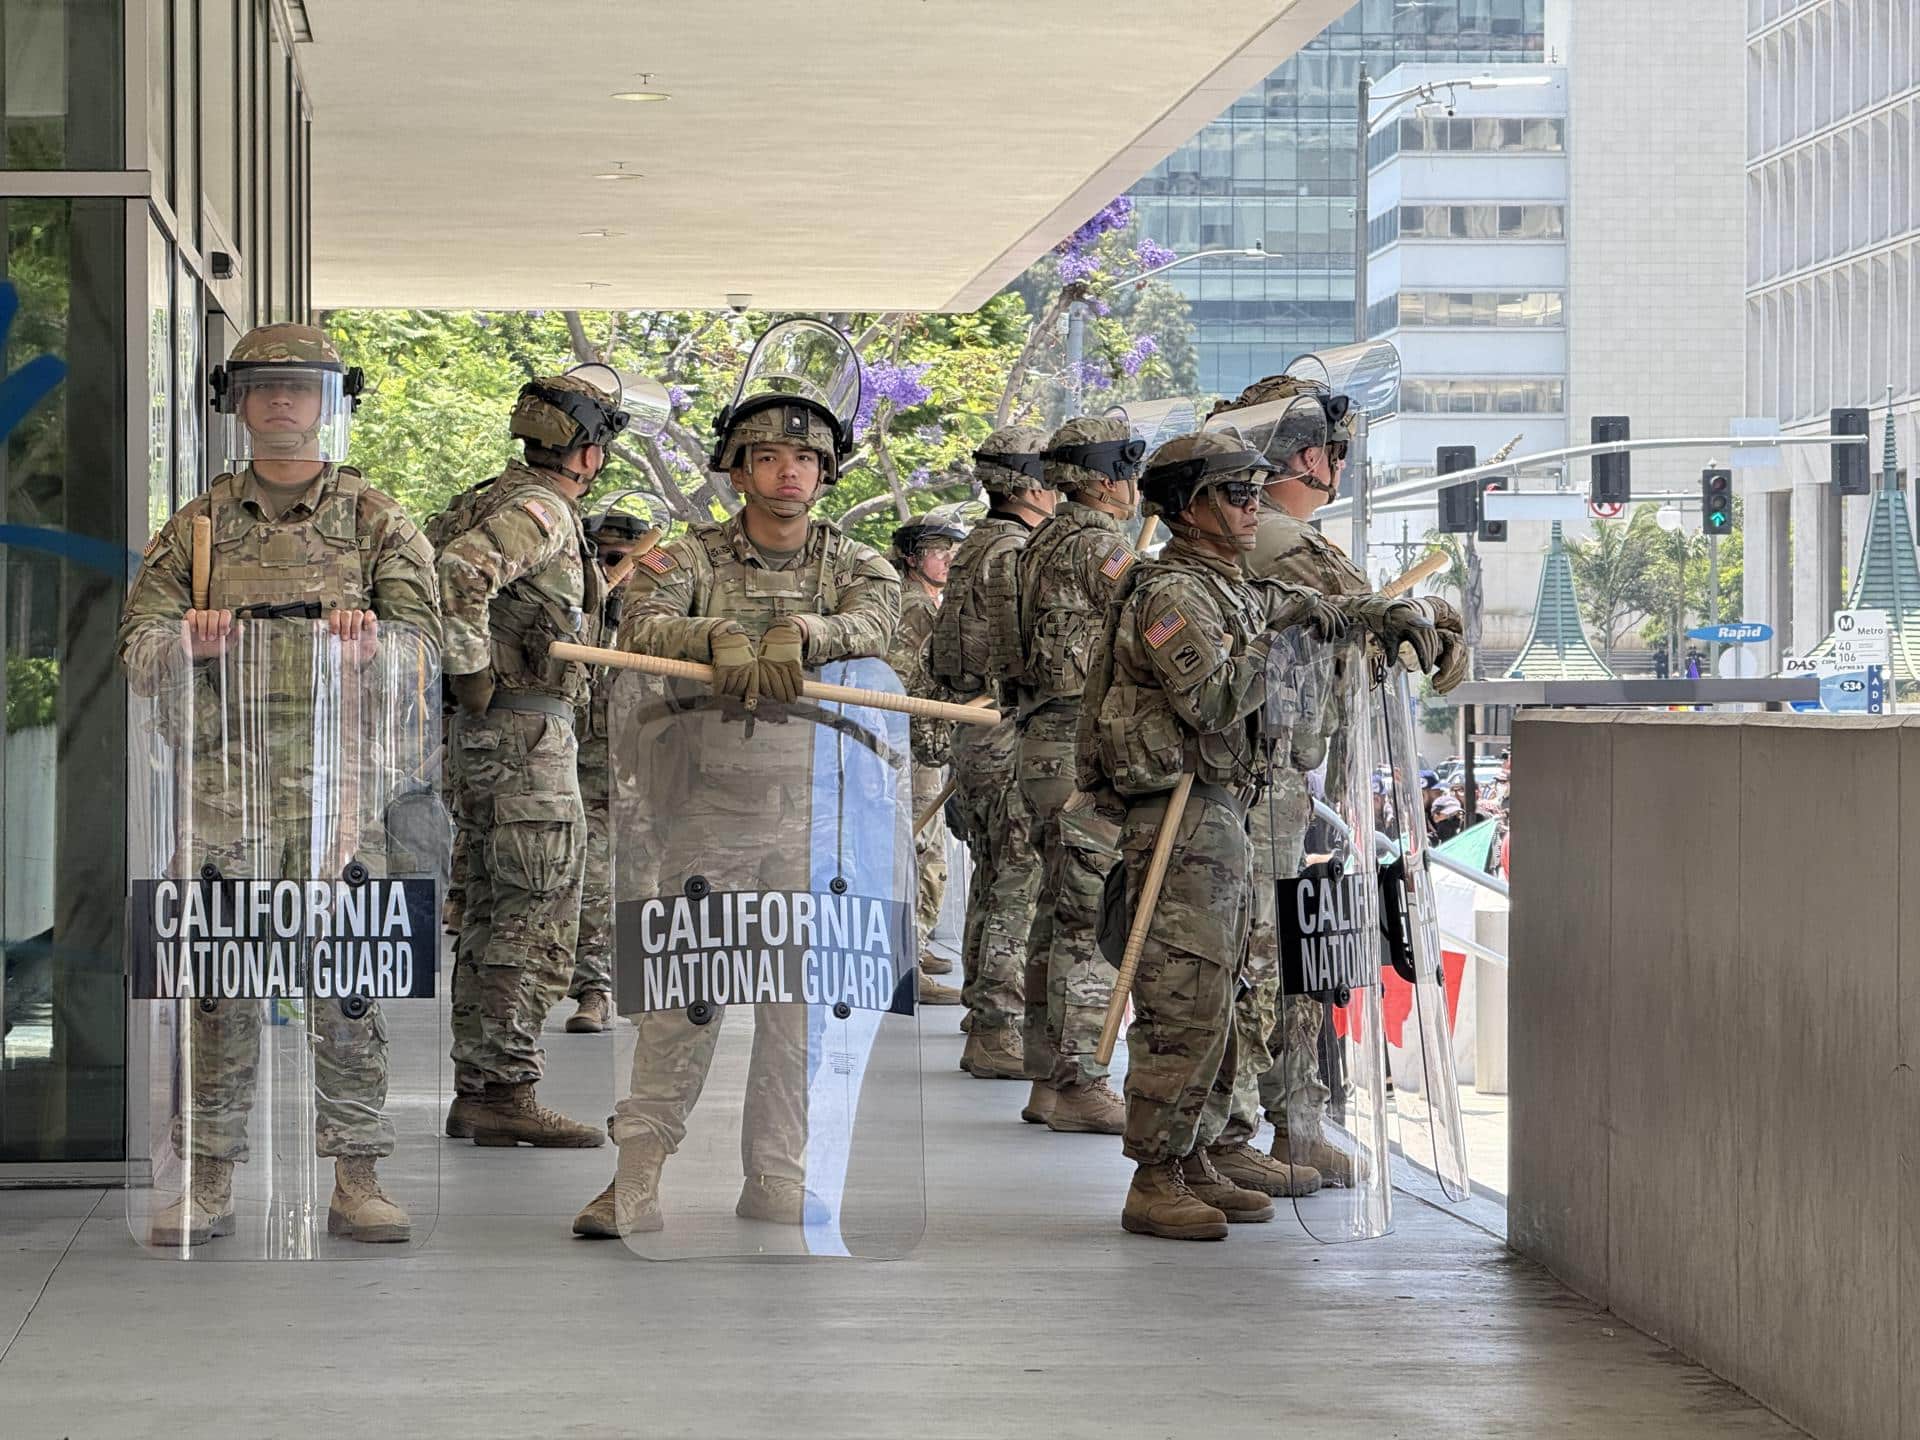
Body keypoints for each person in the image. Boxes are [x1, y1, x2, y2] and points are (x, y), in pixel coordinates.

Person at [574, 320, 899, 1238]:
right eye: (768, 457)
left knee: (800, 1008)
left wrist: (808, 635)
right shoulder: (690, 559)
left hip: (820, 819)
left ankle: (779, 1172)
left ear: (827, 473)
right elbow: (639, 619)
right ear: (738, 469)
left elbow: (879, 623)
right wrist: (711, 637)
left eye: (806, 458)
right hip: (709, 810)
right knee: (685, 995)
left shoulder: (856, 563)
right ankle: (636, 1178)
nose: (788, 471)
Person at [119, 322, 439, 1245]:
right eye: (265, 387)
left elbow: (433, 648)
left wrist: (378, 649)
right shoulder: (200, 526)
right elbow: (137, 645)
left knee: (347, 983)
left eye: (302, 386)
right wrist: (185, 645)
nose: (284, 401)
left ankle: (358, 1178)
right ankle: (209, 1178)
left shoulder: (377, 521)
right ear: (239, 404)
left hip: (344, 790)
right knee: (219, 987)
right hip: (225, 788)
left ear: (329, 404)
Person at [1195, 375, 1467, 1195]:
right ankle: (1244, 1132)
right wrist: (1437, 619)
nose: (1339, 468)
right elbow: (1382, 629)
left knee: (1283, 958)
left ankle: (1283, 1124)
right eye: (1334, 452)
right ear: (1307, 457)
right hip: (1253, 786)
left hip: (1274, 782)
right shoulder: (1281, 540)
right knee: (1262, 962)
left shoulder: (1263, 539)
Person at [1077, 429, 1343, 1239]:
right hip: (1179, 819)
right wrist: (1278, 637)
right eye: (1234, 493)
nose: (1253, 505)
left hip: (1227, 808)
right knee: (1183, 999)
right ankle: (1153, 1176)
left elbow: (1299, 621)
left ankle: (1194, 1155)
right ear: (1187, 508)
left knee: (1227, 997)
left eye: (1255, 491)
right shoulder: (1170, 593)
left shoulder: (1229, 584)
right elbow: (1214, 700)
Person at [438, 370, 631, 1148]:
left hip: (497, 741)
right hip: (524, 734)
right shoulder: (541, 509)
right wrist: (471, 674)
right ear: (586, 452)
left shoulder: (490, 497)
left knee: (493, 915)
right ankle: (507, 1090)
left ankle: (482, 1088)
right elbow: (458, 574)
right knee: (534, 915)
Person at [1003, 415, 1143, 1135]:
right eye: (1126, 468)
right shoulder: (1099, 545)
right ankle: (1082, 1078)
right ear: (1101, 479)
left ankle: (1050, 1081)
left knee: (1055, 914)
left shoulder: (1040, 542)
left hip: (1039, 743)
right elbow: (1147, 618)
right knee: (1090, 917)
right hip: (1077, 748)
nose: (1134, 484)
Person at [926, 426, 1056, 1080]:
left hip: (976, 729)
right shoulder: (1016, 551)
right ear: (1030, 486)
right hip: (1003, 727)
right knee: (1017, 882)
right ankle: (997, 1026)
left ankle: (984, 1012)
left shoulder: (977, 544)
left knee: (994, 876)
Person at [563, 505, 658, 1034]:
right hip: (589, 768)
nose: (613, 565)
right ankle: (593, 989)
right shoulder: (580, 601)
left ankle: (644, 987)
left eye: (624, 555)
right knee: (593, 882)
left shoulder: (657, 604)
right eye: (605, 556)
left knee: (645, 883)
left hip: (646, 770)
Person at [888, 509, 971, 1007]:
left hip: (918, 741)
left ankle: (915, 949)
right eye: (939, 551)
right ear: (912, 558)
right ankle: (908, 962)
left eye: (951, 551)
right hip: (912, 742)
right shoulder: (914, 607)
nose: (948, 560)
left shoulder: (923, 602)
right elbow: (911, 680)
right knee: (923, 850)